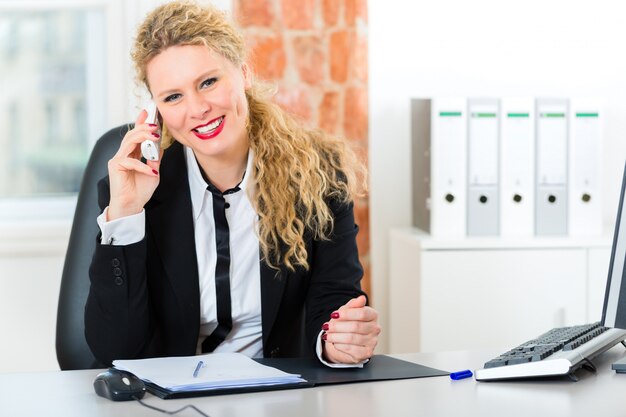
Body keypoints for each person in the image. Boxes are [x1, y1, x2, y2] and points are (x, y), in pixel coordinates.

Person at [84, 0, 380, 368]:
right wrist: (126, 215)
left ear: (244, 73)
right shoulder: (137, 194)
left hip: (273, 395)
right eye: (173, 96)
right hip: (170, 401)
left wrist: (336, 343)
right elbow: (114, 349)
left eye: (208, 82)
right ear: (156, 111)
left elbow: (333, 302)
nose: (197, 108)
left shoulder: (318, 176)